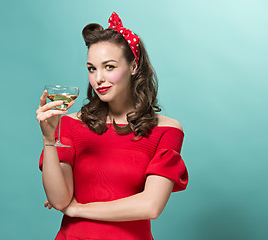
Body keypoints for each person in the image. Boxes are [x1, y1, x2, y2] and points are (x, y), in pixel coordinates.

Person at [36, 12, 188, 240]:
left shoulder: (166, 130)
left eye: (109, 67)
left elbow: (150, 206)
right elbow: (59, 200)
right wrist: (49, 141)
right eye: (91, 68)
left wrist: (79, 209)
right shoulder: (70, 124)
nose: (98, 78)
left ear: (134, 66)